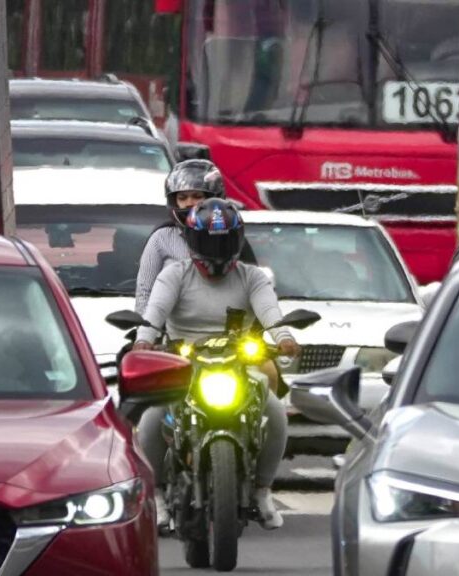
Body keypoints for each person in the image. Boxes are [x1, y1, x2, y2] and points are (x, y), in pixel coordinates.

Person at [133, 198, 299, 530]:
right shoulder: (174, 274)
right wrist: (144, 339)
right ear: (192, 241)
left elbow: (270, 312)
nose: (216, 251)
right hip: (184, 363)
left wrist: (283, 337)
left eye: (224, 242)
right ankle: (158, 496)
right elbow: (154, 315)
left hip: (237, 363)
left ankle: (263, 489)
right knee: (152, 417)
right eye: (209, 241)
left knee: (275, 410)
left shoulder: (252, 277)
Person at [135, 159, 227, 315]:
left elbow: (251, 285)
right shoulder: (162, 237)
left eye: (197, 196)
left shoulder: (230, 234)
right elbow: (145, 291)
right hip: (172, 332)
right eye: (182, 198)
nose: (189, 203)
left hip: (224, 329)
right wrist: (147, 331)